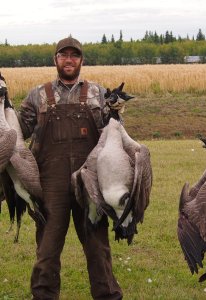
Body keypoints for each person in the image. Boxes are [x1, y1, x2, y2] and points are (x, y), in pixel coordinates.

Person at [18, 36, 123, 300]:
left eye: (74, 55)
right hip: (50, 184)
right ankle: (43, 295)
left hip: (90, 182)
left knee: (98, 247)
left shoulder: (100, 93)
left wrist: (118, 112)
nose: (68, 60)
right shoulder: (38, 95)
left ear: (81, 60)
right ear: (55, 59)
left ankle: (107, 295)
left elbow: (114, 135)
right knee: (48, 248)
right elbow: (17, 132)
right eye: (63, 55)